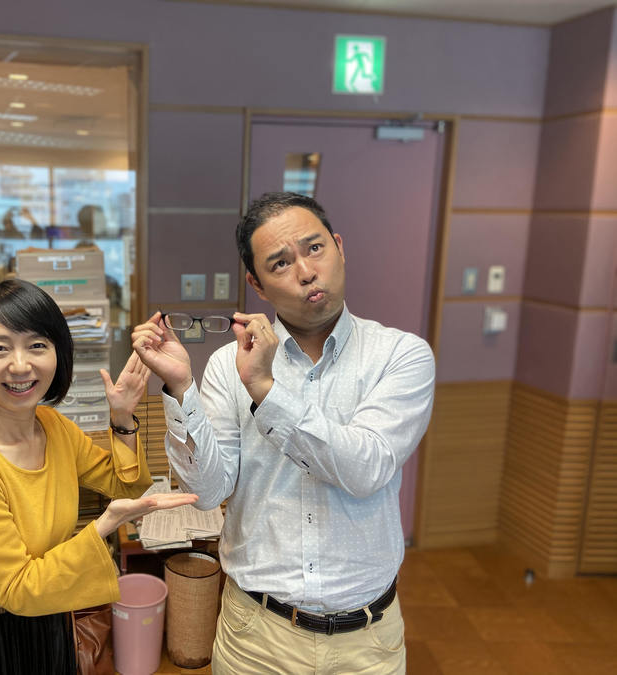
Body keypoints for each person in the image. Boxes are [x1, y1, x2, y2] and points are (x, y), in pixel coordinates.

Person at [131, 192, 435, 674]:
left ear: (339, 247)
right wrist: (180, 387)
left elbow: (366, 468)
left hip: (367, 641)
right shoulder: (227, 366)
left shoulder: (400, 356)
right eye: (280, 263)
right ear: (256, 284)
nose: (306, 271)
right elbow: (207, 492)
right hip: (256, 634)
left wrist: (266, 391)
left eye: (315, 248)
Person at [0, 278, 197, 674]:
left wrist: (122, 416)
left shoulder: (52, 426)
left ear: (58, 353)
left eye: (37, 345)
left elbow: (123, 484)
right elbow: (18, 589)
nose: (21, 365)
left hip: (49, 617)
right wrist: (103, 526)